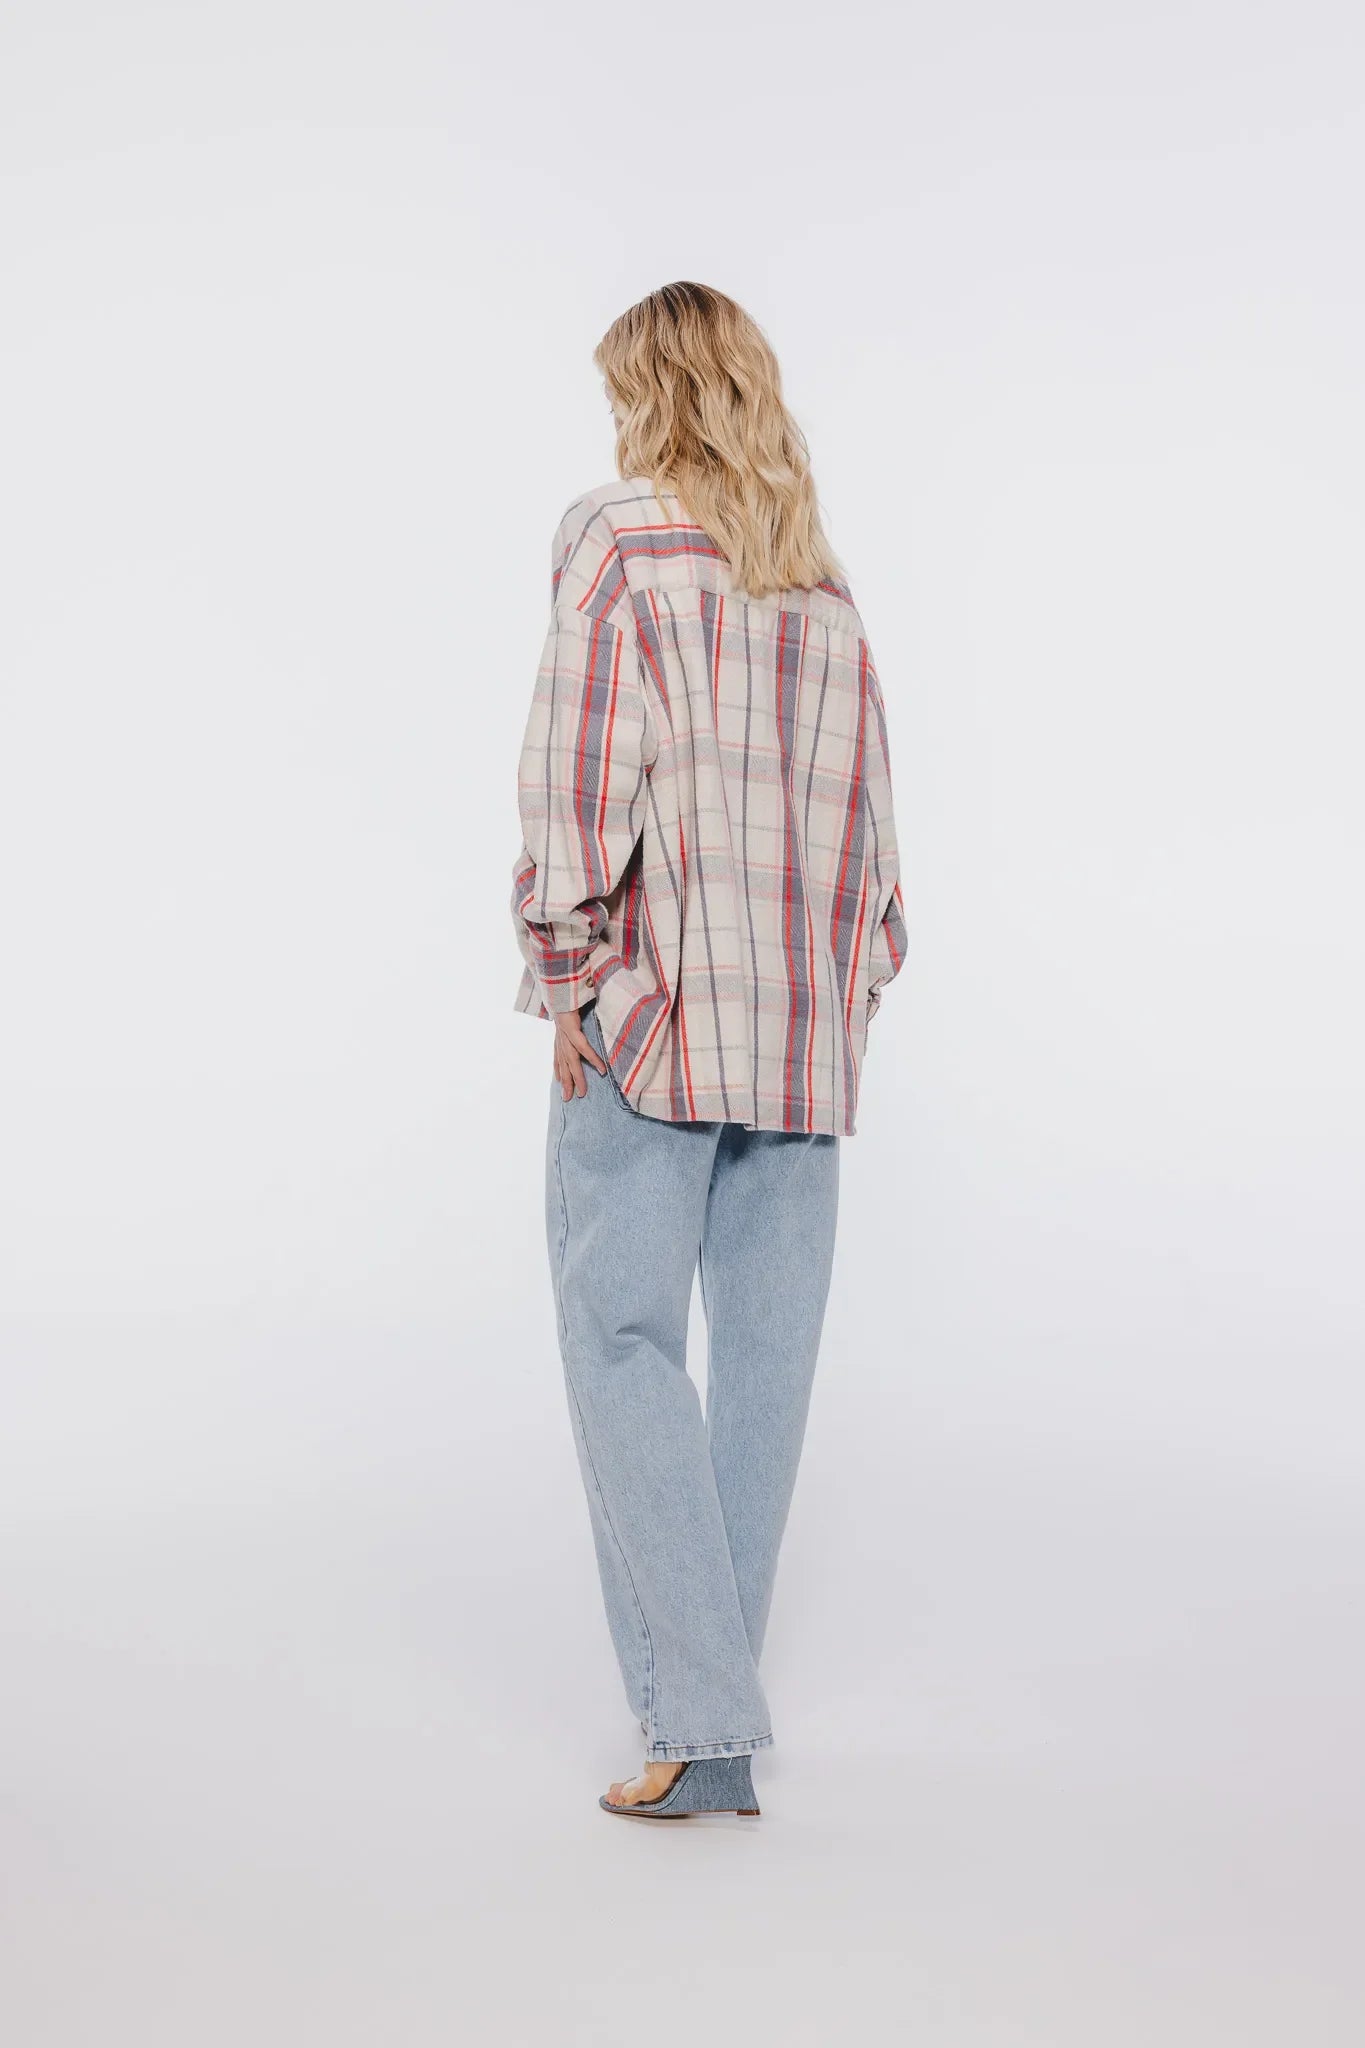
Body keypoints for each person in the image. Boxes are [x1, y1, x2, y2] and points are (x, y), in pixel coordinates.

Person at [509, 281, 905, 1821]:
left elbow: (572, 781)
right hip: (799, 1043)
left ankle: (698, 1721)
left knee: (619, 1346)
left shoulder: (616, 538)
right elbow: (877, 854)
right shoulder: (819, 581)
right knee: (761, 1379)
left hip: (654, 1027)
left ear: (648, 392)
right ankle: (710, 1740)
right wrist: (839, 1003)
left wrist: (570, 980)